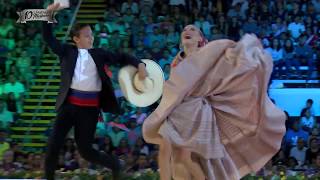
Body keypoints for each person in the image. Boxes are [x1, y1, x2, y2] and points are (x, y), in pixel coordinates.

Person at [142, 25, 286, 180]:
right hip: (177, 110)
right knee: (174, 154)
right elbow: (175, 89)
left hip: (196, 110)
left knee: (181, 156)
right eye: (184, 30)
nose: (187, 31)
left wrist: (238, 52)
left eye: (193, 30)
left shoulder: (209, 54)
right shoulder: (177, 61)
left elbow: (226, 64)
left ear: (201, 39)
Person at [43, 3, 147, 180]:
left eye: (91, 35)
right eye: (87, 36)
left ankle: (114, 164)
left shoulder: (99, 53)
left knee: (86, 151)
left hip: (89, 110)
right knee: (53, 145)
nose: (91, 38)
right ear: (76, 39)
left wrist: (140, 64)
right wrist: (48, 15)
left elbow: (121, 57)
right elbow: (49, 38)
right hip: (68, 107)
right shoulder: (67, 52)